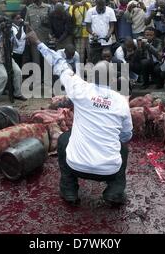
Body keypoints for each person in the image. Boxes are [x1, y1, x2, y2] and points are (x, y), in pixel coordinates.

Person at [27, 28, 133, 207]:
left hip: (76, 164)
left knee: (63, 140)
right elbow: (127, 135)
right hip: (109, 169)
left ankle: (69, 190)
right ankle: (114, 192)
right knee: (122, 148)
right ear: (114, 80)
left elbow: (59, 63)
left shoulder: (81, 90)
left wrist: (38, 42)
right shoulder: (121, 102)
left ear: (92, 77)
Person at [0, 16, 27, 105]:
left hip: (7, 57)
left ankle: (17, 93)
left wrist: (11, 34)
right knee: (2, 76)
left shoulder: (10, 30)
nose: (5, 25)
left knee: (18, 72)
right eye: (2, 23)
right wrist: (0, 32)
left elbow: (16, 44)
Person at [24, 0, 51, 88]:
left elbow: (51, 23)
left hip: (45, 39)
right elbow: (27, 23)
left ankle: (47, 82)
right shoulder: (29, 8)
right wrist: (27, 37)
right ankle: (37, 82)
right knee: (36, 61)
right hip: (34, 40)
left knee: (47, 61)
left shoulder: (48, 7)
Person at [84, 0, 117, 64]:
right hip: (95, 42)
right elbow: (88, 27)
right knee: (94, 61)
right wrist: (93, 33)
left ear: (105, 3)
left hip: (107, 42)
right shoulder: (90, 11)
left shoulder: (110, 11)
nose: (101, 7)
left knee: (106, 61)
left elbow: (112, 26)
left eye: (103, 5)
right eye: (99, 5)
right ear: (96, 3)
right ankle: (93, 74)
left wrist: (108, 34)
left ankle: (106, 74)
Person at [68, 0, 91, 64]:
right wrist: (75, 8)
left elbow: (91, 16)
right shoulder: (72, 7)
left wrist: (86, 5)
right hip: (79, 33)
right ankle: (79, 70)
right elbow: (72, 20)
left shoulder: (88, 4)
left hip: (88, 32)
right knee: (79, 54)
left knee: (90, 52)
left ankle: (90, 70)